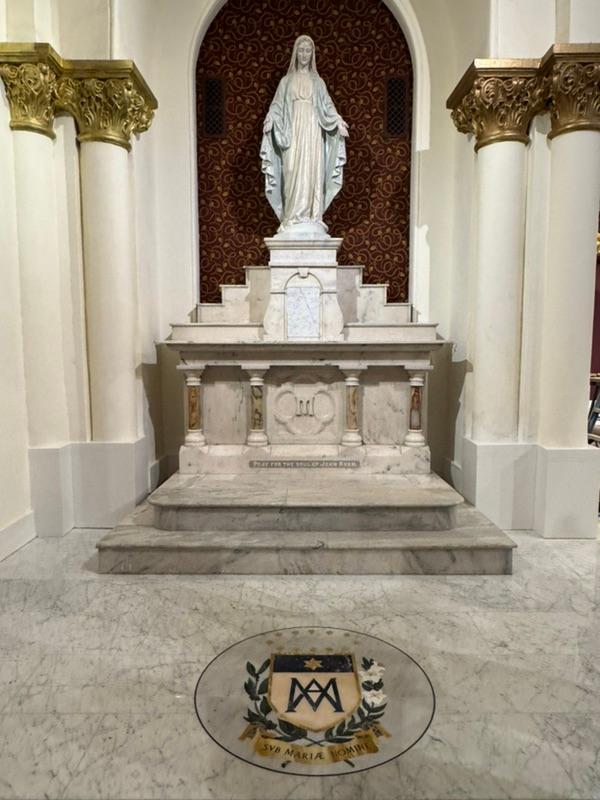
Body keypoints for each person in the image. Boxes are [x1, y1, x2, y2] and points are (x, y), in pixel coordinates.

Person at [260, 35, 349, 233]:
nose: (304, 54)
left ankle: (312, 216)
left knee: (311, 169)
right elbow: (277, 105)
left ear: (312, 54)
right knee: (291, 169)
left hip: (312, 131)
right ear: (295, 53)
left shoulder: (318, 82)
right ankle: (291, 216)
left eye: (308, 51)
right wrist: (271, 118)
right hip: (291, 131)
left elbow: (327, 106)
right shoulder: (286, 81)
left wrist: (337, 120)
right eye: (301, 50)